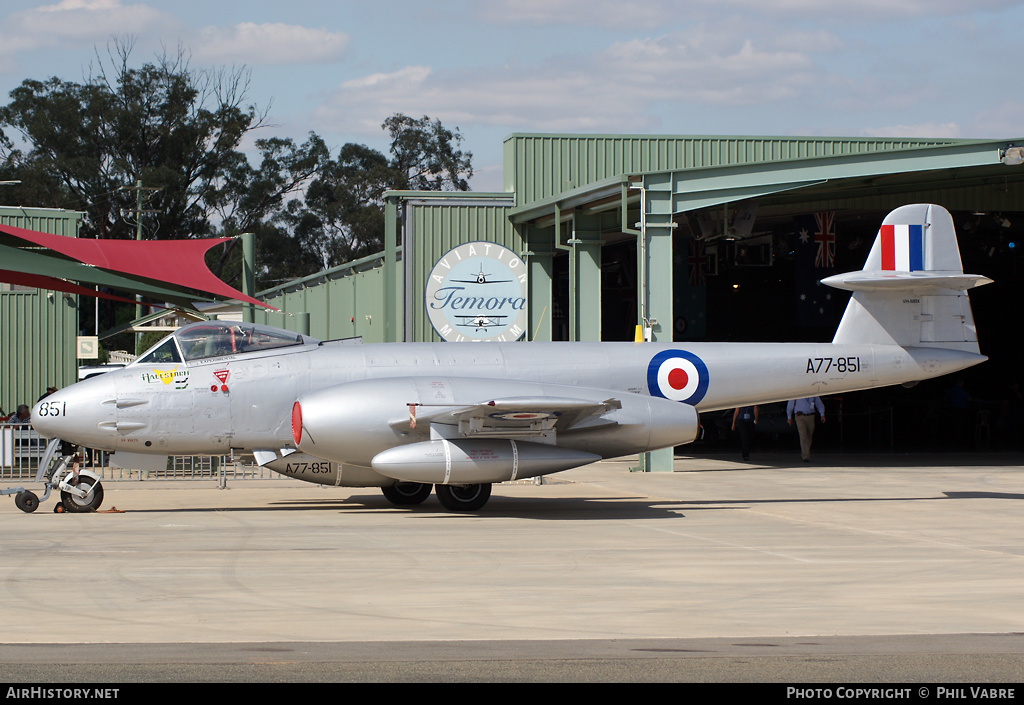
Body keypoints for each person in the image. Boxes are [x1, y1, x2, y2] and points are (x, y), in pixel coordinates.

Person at [787, 397, 825, 462]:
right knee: (803, 436)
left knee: (809, 436)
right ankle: (805, 456)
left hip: (810, 416)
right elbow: (790, 404)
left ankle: (805, 451)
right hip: (800, 416)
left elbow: (819, 403)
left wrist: (822, 414)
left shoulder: (813, 393)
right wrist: (789, 417)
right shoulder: (797, 392)